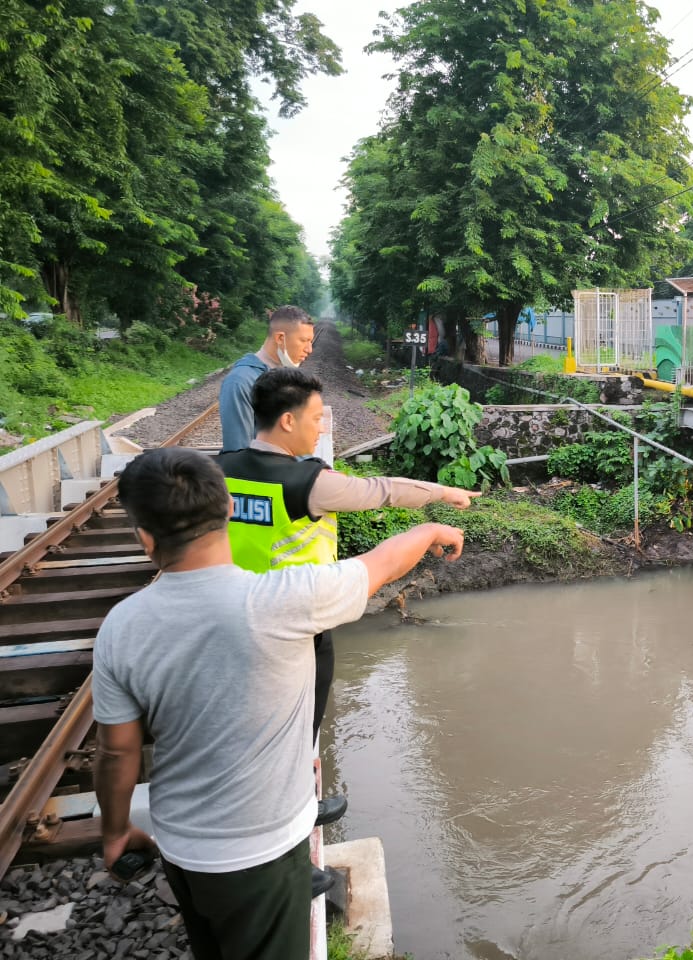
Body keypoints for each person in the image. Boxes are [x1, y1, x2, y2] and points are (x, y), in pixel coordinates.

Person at [93, 447, 463, 960]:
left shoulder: (120, 627)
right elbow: (379, 565)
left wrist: (115, 832)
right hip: (263, 850)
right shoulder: (285, 601)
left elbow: (117, 753)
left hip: (180, 847)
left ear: (145, 536)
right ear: (226, 511)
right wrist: (430, 532)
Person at [214, 367, 478, 893]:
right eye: (314, 419)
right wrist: (442, 493)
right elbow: (380, 492)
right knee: (293, 741)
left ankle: (299, 813)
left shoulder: (219, 469)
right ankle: (290, 862)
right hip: (298, 621)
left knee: (256, 736)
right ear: (287, 420)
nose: (319, 430)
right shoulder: (303, 482)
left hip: (234, 614)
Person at [218, 305, 315, 453]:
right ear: (280, 338)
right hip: (262, 475)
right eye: (304, 340)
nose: (309, 349)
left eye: (311, 341)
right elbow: (238, 453)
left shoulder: (289, 376)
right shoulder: (240, 381)